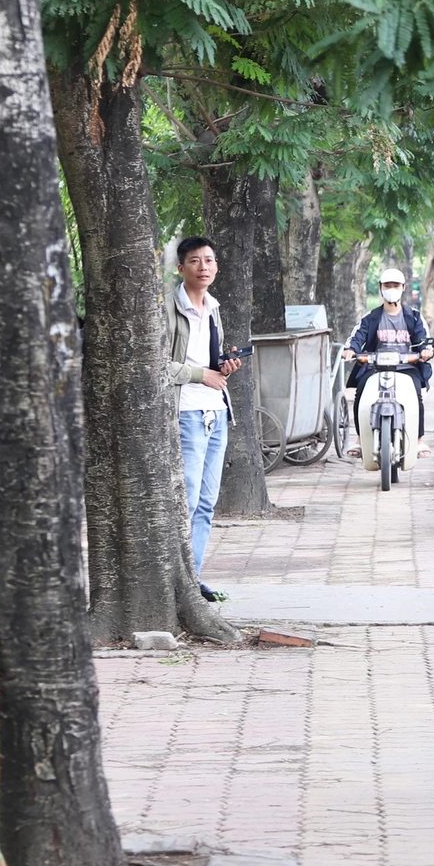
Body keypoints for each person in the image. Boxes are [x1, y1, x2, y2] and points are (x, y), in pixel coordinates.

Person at [166, 235, 241, 602]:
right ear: (181, 268)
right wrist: (201, 375)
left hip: (215, 411)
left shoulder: (213, 308)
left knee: (208, 502)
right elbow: (155, 363)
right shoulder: (168, 308)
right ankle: (176, 578)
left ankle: (191, 580)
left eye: (209, 260)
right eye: (195, 261)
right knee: (189, 499)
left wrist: (223, 367)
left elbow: (209, 364)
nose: (204, 267)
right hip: (185, 413)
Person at [344, 267, 434, 463]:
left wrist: (426, 351)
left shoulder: (414, 317)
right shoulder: (371, 317)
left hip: (406, 367)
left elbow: (424, 339)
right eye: (387, 285)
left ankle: (419, 439)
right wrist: (350, 350)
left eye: (395, 285)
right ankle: (360, 439)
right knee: (360, 393)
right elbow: (356, 336)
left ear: (403, 288)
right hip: (374, 366)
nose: (391, 289)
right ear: (380, 288)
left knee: (416, 395)